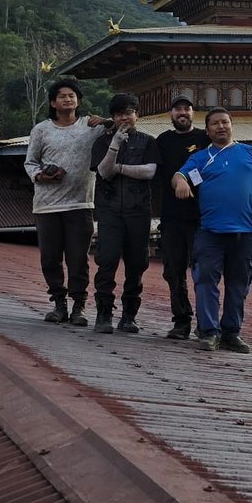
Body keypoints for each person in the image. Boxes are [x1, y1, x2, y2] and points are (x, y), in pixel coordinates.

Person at [173, 107, 252, 353]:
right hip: (210, 232)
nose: (220, 127)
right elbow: (178, 175)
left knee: (239, 284)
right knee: (205, 281)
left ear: (231, 125)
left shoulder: (251, 154)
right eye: (215, 124)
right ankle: (208, 331)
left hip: (244, 232)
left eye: (224, 122)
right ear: (207, 130)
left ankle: (231, 332)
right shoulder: (201, 158)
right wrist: (181, 183)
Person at [24, 78, 104, 325]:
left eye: (72, 95)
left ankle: (78, 306)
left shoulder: (91, 127)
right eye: (62, 96)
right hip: (47, 204)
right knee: (50, 257)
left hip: (80, 204)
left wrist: (106, 122)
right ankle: (59, 303)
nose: (68, 99)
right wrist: (41, 176)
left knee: (78, 259)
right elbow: (30, 162)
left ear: (78, 100)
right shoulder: (41, 130)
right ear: (53, 102)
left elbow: (121, 129)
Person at [90, 92, 159, 334]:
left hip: (138, 210)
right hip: (109, 211)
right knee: (106, 261)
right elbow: (103, 172)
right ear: (113, 117)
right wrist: (115, 145)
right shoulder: (102, 142)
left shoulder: (148, 141)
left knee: (136, 264)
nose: (124, 118)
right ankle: (103, 314)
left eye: (129, 113)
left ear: (136, 115)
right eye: (119, 114)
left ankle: (129, 315)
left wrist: (120, 167)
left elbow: (149, 171)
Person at [154, 95, 207, 340]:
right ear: (171, 114)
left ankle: (205, 322)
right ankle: (181, 321)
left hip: (199, 217)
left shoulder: (204, 139)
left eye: (187, 109)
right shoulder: (163, 141)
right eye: (177, 109)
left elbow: (231, 149)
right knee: (174, 272)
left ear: (193, 113)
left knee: (203, 272)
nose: (182, 113)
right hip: (172, 217)